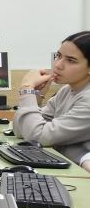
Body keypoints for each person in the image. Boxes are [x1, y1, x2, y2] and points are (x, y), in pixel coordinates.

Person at [13, 32, 90, 167]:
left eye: (71, 60)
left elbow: (36, 136)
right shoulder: (66, 90)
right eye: (59, 56)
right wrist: (36, 97)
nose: (58, 65)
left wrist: (27, 89)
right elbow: (21, 131)